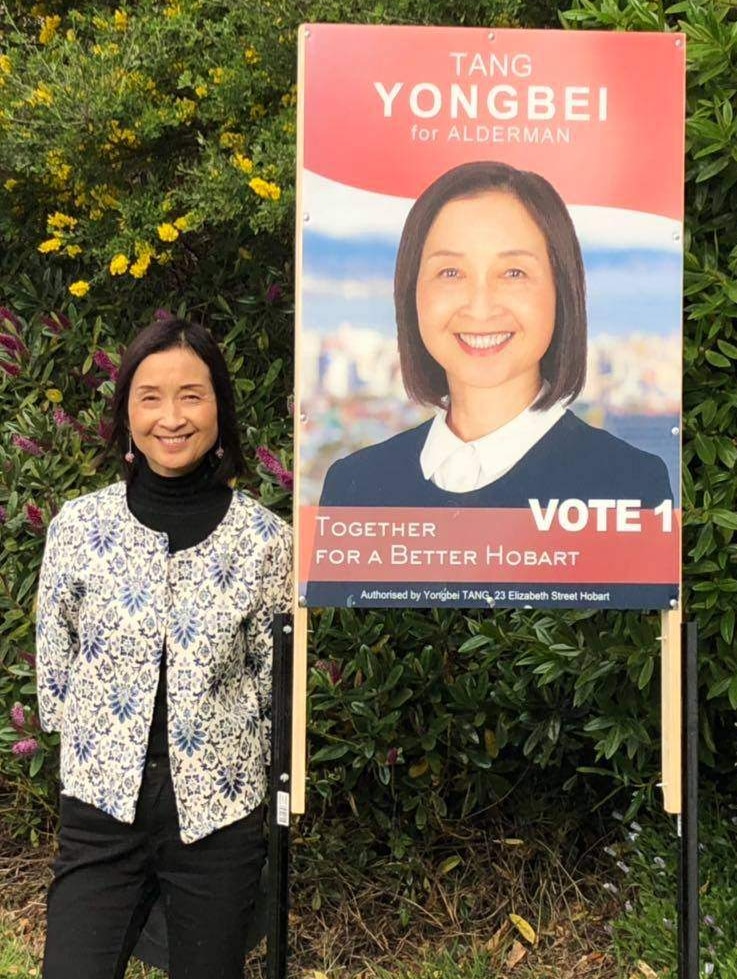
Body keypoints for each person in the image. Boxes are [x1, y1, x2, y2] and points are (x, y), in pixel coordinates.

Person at [36, 318, 292, 979]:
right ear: (126, 409)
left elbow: (275, 689)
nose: (170, 417)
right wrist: (96, 748)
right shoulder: (78, 529)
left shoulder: (265, 542)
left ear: (220, 407)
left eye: (191, 394)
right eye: (150, 396)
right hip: (100, 809)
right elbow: (55, 653)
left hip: (218, 815)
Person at [319, 161, 672, 509]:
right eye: (451, 272)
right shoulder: (354, 488)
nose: (480, 306)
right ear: (411, 292)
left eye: (514, 272)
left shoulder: (630, 487)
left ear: (561, 290)